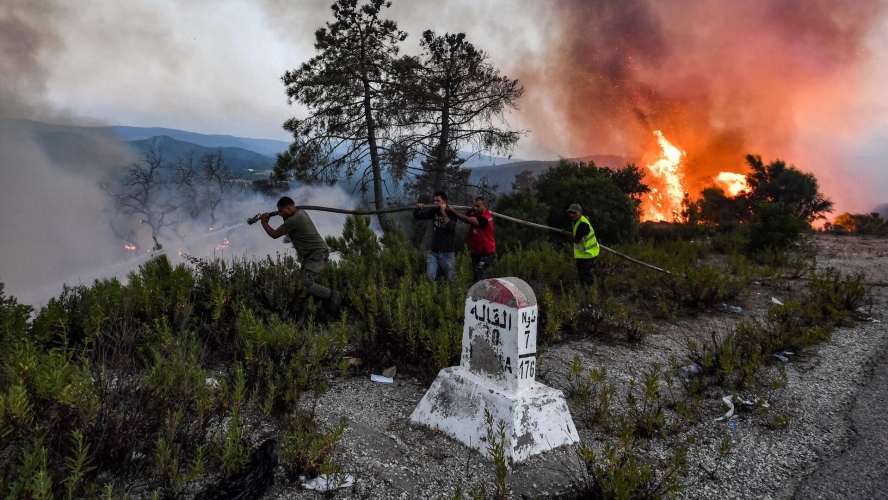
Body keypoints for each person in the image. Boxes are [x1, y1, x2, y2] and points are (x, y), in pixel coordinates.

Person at [261, 196, 341, 313]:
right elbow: (287, 222)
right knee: (303, 282)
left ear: (289, 208)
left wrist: (264, 223)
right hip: (313, 255)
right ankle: (319, 307)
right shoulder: (300, 212)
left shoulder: (294, 220)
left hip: (317, 255)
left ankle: (332, 295)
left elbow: (274, 234)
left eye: (281, 211)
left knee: (306, 284)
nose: (279, 214)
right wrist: (282, 214)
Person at [447, 196, 496, 282]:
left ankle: (483, 294)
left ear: (485, 206)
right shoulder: (477, 214)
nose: (475, 208)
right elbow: (466, 216)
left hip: (486, 253)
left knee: (480, 277)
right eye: (474, 205)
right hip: (477, 252)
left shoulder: (484, 219)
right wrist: (470, 211)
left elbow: (466, 219)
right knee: (476, 275)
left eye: (478, 206)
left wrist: (453, 211)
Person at [414, 191, 457, 283]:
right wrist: (418, 209)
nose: (435, 203)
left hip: (448, 254)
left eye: (438, 201)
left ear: (444, 201)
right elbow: (418, 216)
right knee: (429, 278)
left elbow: (451, 227)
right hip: (433, 253)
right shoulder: (433, 211)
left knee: (451, 281)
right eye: (434, 201)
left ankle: (454, 296)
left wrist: (443, 212)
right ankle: (431, 296)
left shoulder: (452, 213)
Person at [566, 203, 599, 285]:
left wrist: (567, 235)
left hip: (589, 253)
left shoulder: (583, 224)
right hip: (582, 253)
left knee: (586, 273)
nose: (572, 215)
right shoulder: (576, 221)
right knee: (581, 273)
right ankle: (584, 289)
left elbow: (577, 240)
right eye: (570, 213)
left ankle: (590, 291)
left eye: (574, 213)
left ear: (580, 212)